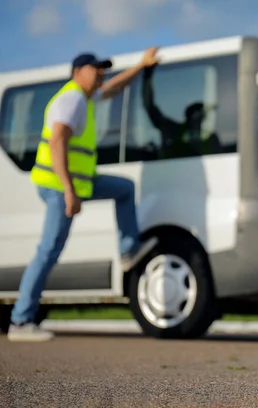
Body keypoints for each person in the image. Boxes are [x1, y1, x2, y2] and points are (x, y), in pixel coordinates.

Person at [7, 48, 162, 342]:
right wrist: (69, 191)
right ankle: (20, 321)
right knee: (48, 251)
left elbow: (114, 88)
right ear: (78, 72)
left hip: (78, 182)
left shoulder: (85, 98)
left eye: (102, 69)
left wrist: (141, 65)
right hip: (59, 185)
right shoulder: (72, 100)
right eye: (95, 68)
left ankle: (129, 250)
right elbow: (57, 144)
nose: (101, 73)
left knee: (124, 189)